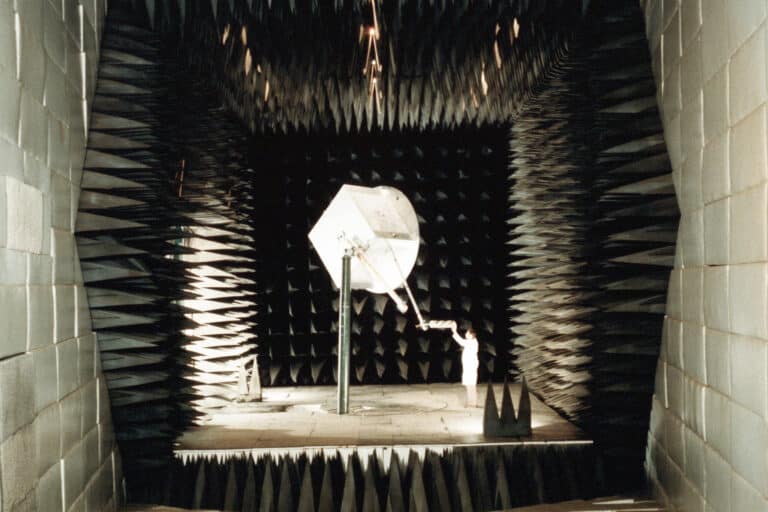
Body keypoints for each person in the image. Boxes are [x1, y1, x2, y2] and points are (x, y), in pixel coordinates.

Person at [451, 323, 479, 407]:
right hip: (469, 365)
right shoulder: (471, 341)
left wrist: (454, 331)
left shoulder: (472, 342)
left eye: (467, 333)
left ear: (471, 335)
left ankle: (472, 403)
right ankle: (471, 402)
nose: (465, 334)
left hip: (471, 365)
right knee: (469, 384)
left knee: (471, 385)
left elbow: (461, 341)